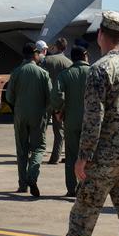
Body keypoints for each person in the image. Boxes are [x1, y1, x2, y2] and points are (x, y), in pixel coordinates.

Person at [29, 11, 119, 236]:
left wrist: (83, 155)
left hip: (105, 156)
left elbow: (94, 116)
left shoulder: (100, 69)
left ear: (101, 36)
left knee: (84, 210)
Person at [7, 42, 52, 197]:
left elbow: (9, 97)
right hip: (38, 115)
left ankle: (22, 185)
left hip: (20, 115)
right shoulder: (43, 73)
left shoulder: (16, 72)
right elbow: (50, 97)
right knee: (39, 147)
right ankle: (32, 175)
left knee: (21, 150)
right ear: (34, 54)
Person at [52, 43, 91, 197]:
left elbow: (57, 96)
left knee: (71, 155)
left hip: (71, 120)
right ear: (85, 55)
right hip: (91, 121)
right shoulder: (94, 72)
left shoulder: (65, 75)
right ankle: (86, 186)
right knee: (89, 155)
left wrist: (58, 110)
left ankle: (71, 188)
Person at [42, 37, 72, 165]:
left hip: (46, 98)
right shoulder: (69, 63)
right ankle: (55, 157)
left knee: (41, 127)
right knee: (59, 130)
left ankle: (37, 152)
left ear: (55, 46)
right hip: (61, 100)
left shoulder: (47, 60)